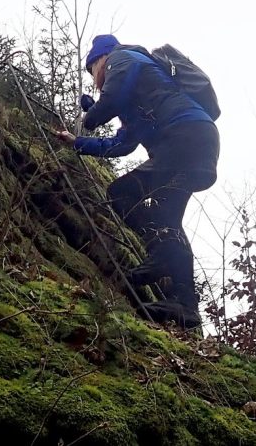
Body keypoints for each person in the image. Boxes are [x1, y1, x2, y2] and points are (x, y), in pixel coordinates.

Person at [55, 34, 220, 328]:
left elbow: (112, 96)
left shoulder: (124, 57)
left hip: (184, 136)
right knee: (166, 218)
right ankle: (185, 305)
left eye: (92, 71)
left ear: (101, 60)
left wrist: (91, 115)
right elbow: (121, 145)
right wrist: (78, 142)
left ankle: (161, 258)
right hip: (197, 140)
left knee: (121, 193)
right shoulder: (138, 99)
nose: (95, 80)